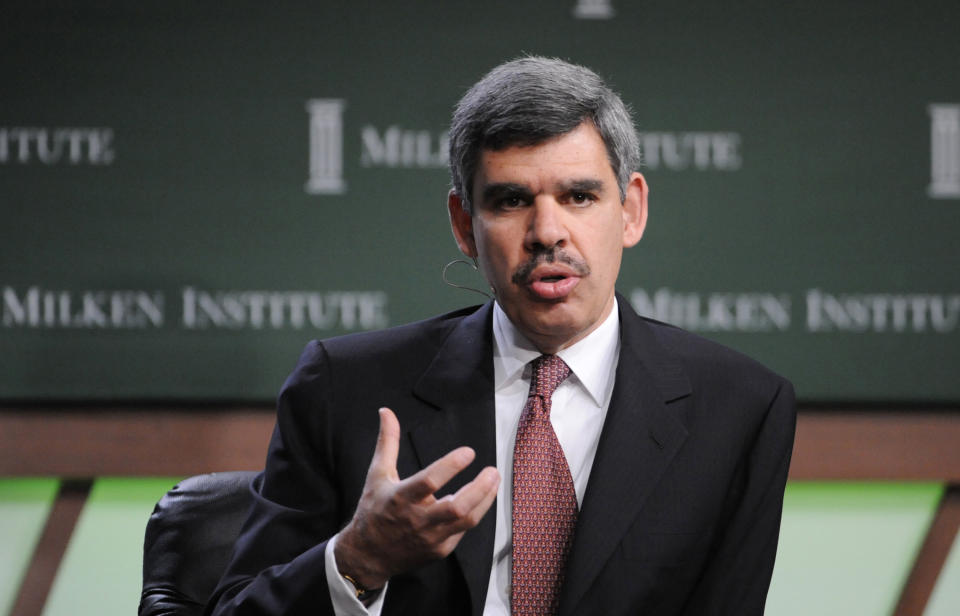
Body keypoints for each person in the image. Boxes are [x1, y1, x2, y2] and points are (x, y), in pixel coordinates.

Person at [207, 56, 796, 616]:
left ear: (630, 211)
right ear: (465, 225)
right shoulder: (343, 388)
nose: (546, 232)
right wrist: (361, 559)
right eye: (511, 200)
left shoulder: (739, 407)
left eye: (579, 196)